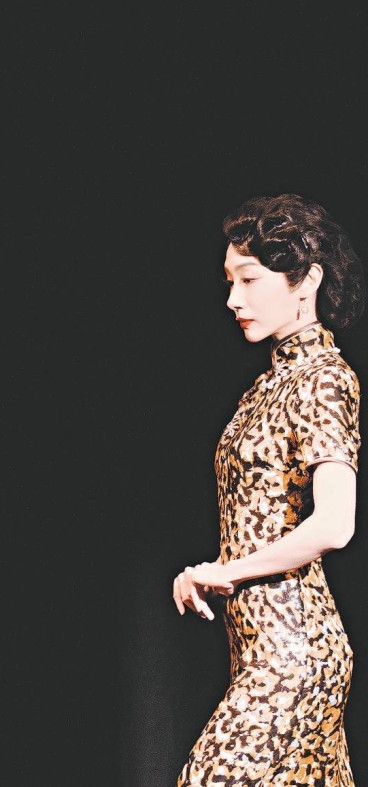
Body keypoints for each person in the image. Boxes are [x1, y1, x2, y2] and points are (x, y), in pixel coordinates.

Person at [173, 193, 365, 785]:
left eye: (250, 279)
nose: (233, 299)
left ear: (307, 281)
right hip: (262, 649)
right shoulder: (265, 388)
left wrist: (224, 571)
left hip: (294, 653)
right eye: (230, 282)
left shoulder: (324, 379)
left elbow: (335, 524)